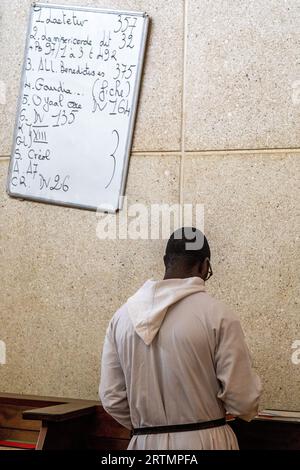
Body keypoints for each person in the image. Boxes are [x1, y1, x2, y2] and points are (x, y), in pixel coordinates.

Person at [99, 227, 262, 450]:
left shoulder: (121, 318)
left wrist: (152, 426)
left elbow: (111, 397)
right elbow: (243, 400)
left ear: (166, 261)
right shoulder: (218, 316)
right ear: (204, 266)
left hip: (145, 443)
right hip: (206, 442)